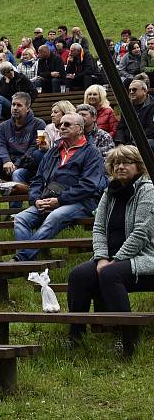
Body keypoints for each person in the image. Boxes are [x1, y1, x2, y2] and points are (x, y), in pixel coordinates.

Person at [67, 146, 154, 341]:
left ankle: (128, 338)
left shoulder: (147, 191)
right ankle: (75, 336)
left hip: (144, 257)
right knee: (78, 275)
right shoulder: (109, 193)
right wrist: (101, 258)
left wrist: (115, 260)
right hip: (109, 259)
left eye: (126, 162)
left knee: (110, 273)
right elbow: (98, 229)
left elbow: (141, 233)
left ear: (138, 166)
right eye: (116, 163)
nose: (120, 167)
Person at [13, 113, 107, 262]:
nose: (62, 127)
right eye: (60, 125)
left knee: (55, 216)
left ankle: (22, 260)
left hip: (81, 202)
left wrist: (60, 200)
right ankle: (29, 261)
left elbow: (90, 185)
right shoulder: (53, 151)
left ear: (80, 129)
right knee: (20, 218)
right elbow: (38, 180)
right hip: (48, 199)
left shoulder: (91, 153)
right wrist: (36, 199)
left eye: (67, 124)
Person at [0, 92, 45, 200]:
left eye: (19, 105)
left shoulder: (39, 124)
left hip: (27, 167)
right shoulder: (3, 126)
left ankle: (14, 211)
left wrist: (16, 164)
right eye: (13, 105)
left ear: (27, 108)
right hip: (7, 165)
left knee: (17, 173)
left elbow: (33, 149)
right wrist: (6, 160)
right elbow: (0, 145)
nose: (15, 108)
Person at [114, 79, 154, 148]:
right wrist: (120, 142)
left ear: (144, 91)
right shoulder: (127, 107)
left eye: (134, 90)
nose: (131, 92)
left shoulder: (152, 106)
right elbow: (120, 128)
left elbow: (151, 130)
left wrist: (131, 144)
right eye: (130, 90)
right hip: (127, 144)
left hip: (145, 142)